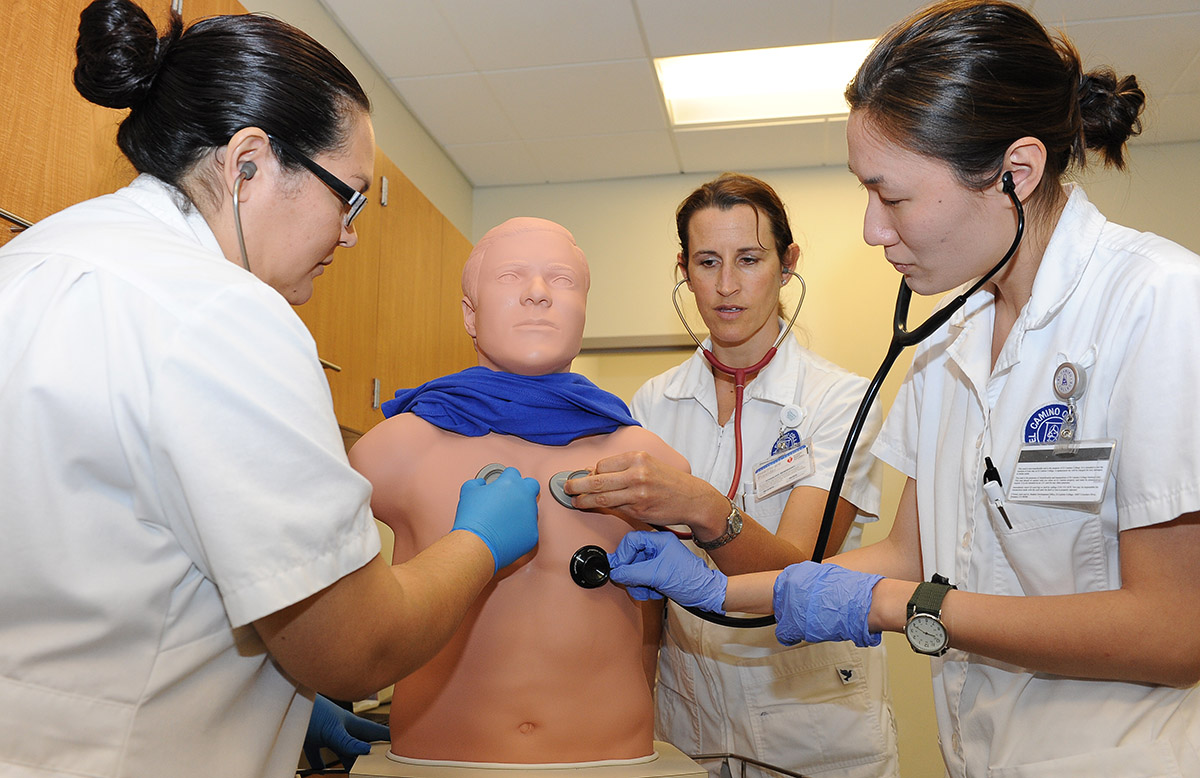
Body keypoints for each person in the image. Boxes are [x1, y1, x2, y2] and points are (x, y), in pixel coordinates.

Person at [606, 2, 1200, 777]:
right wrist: (725, 592)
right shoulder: (946, 343)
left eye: (893, 197)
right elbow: (904, 552)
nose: (870, 229)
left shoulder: (1159, 303)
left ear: (1015, 174)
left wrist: (900, 607)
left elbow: (1174, 630)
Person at [0, 3, 538, 777]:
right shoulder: (226, 310)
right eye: (347, 197)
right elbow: (361, 646)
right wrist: (479, 543)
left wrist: (266, 693)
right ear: (248, 163)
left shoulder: (37, 257)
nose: (349, 234)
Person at [570, 173, 900, 777]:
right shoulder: (652, 404)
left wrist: (704, 507)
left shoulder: (840, 401)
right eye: (706, 262)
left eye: (749, 259)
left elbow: (797, 568)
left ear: (787, 262)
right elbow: (640, 597)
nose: (726, 286)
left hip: (812, 731)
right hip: (687, 728)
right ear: (683, 269)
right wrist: (629, 719)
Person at [348, 217, 690, 766]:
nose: (538, 293)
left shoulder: (649, 464)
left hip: (609, 759)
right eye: (512, 276)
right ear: (469, 313)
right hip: (438, 759)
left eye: (561, 279)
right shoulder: (392, 452)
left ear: (584, 309)